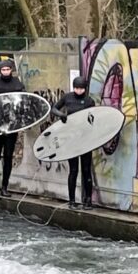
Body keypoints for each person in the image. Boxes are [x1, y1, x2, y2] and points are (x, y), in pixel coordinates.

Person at [50, 74, 96, 208]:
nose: (78, 91)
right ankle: (71, 200)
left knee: (86, 170)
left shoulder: (89, 101)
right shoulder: (68, 97)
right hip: (70, 138)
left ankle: (88, 200)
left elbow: (93, 119)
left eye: (81, 89)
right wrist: (61, 115)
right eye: (76, 88)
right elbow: (54, 108)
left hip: (85, 139)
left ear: (85, 89)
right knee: (73, 170)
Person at [0, 57, 25, 201]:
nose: (6, 72)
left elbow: (23, 105)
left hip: (11, 128)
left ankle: (5, 187)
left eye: (8, 69)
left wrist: (19, 124)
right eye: (3, 70)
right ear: (0, 70)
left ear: (11, 70)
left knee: (8, 156)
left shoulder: (18, 84)